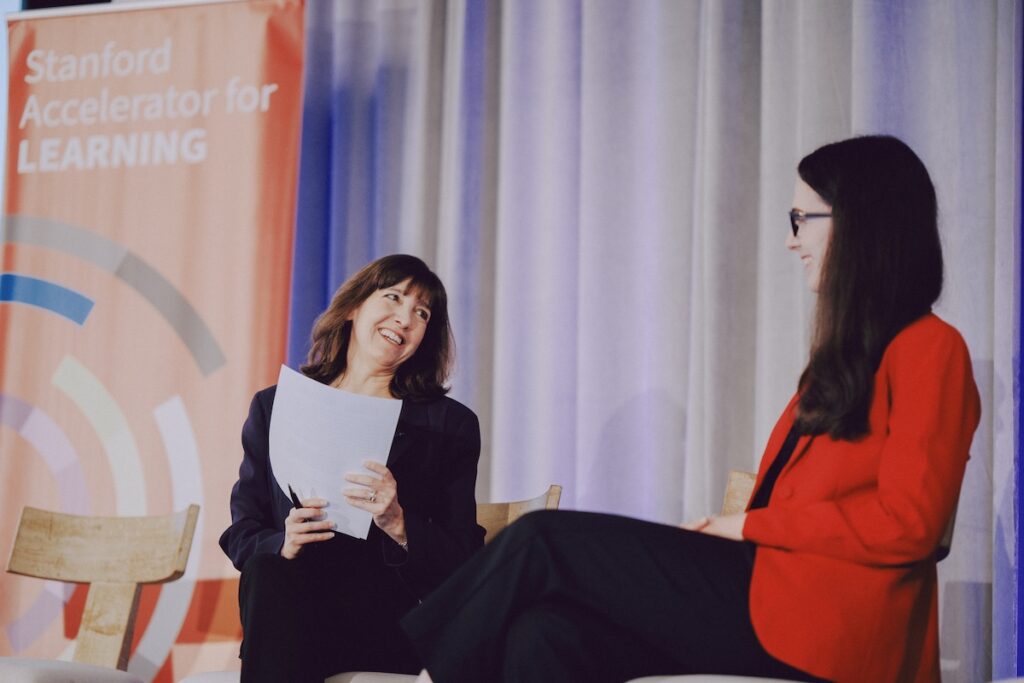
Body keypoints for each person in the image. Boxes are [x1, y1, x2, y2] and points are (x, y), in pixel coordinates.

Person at [399, 136, 981, 683]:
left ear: (859, 225)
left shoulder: (933, 348)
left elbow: (908, 523)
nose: (791, 240)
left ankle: (427, 677)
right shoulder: (841, 362)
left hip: (825, 623)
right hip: (768, 596)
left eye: (802, 219)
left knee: (539, 538)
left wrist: (748, 524)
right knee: (544, 635)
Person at [219, 254, 485, 683]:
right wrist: (283, 541)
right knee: (268, 570)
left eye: (421, 313)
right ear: (353, 308)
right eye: (393, 298)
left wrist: (398, 522)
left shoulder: (448, 425)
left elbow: (465, 557)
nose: (404, 318)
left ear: (424, 337)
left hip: (384, 622)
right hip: (294, 607)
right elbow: (242, 530)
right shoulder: (276, 407)